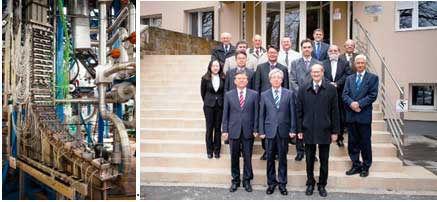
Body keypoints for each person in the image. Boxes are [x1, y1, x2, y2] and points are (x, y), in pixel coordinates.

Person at [296, 64, 340, 197]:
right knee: (309, 159)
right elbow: (299, 111)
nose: (316, 74)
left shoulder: (331, 89)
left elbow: (335, 111)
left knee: (324, 159)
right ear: (310, 73)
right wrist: (299, 129)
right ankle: (310, 182)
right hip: (308, 129)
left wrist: (335, 131)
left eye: (318, 72)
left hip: (325, 129)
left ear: (322, 72)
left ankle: (322, 184)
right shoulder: (303, 89)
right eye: (313, 72)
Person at [259, 68, 297, 196]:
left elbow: (293, 113)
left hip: (283, 131)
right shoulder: (264, 95)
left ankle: (282, 183)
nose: (276, 79)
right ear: (270, 80)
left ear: (282, 80)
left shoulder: (289, 93)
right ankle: (271, 183)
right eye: (273, 77)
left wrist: (293, 129)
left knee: (282, 158)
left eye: (278, 78)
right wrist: (261, 130)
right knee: (269, 159)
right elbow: (261, 115)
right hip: (269, 131)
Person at [222, 70, 259, 193]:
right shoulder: (229, 95)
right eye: (239, 79)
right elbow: (225, 114)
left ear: (247, 81)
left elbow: (256, 114)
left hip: (248, 130)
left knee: (247, 157)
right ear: (235, 81)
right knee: (234, 157)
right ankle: (235, 180)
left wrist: (255, 128)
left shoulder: (254, 94)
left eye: (244, 79)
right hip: (233, 130)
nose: (241, 80)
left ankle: (247, 180)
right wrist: (225, 130)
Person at [342, 54, 379, 178]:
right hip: (351, 116)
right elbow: (345, 95)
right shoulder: (349, 79)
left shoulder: (373, 78)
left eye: (362, 63)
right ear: (355, 64)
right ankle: (355, 165)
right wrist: (351, 103)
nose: (360, 65)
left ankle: (365, 166)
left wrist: (359, 104)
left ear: (365, 64)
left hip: (363, 116)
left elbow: (372, 95)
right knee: (352, 142)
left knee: (365, 142)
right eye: (358, 63)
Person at [255, 45, 289, 160]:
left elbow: (286, 87)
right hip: (265, 102)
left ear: (278, 54)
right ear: (267, 54)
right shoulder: (260, 68)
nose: (272, 54)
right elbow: (257, 87)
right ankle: (267, 151)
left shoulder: (283, 68)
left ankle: (279, 152)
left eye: (274, 52)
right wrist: (259, 102)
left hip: (280, 102)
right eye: (270, 53)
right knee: (266, 125)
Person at [289, 39, 322, 161]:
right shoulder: (295, 63)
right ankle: (300, 151)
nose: (307, 49)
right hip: (299, 98)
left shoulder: (318, 63)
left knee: (312, 125)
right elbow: (292, 79)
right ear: (301, 49)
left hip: (314, 98)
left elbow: (320, 80)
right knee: (300, 124)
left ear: (312, 49)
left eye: (309, 47)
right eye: (304, 47)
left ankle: (312, 153)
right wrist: (301, 93)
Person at [322, 45, 352, 147]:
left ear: (339, 52)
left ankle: (340, 138)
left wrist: (337, 84)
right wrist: (330, 84)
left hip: (340, 92)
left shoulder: (345, 63)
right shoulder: (323, 63)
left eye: (335, 50)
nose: (333, 52)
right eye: (331, 51)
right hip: (326, 93)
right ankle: (327, 135)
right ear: (328, 52)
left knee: (340, 116)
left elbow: (347, 75)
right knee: (326, 114)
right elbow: (321, 76)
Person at [200, 60, 225, 159]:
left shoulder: (223, 77)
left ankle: (217, 150)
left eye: (217, 66)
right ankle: (209, 151)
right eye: (214, 66)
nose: (215, 68)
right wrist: (208, 101)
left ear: (220, 67)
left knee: (218, 129)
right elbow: (203, 93)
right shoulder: (205, 78)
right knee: (209, 128)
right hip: (209, 106)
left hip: (220, 105)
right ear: (210, 67)